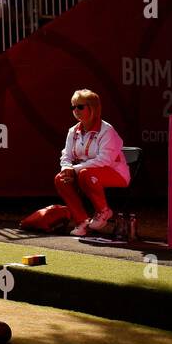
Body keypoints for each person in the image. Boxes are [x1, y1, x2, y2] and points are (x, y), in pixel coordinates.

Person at [56, 89, 130, 237]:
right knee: (60, 178)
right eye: (73, 107)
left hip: (115, 173)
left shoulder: (107, 130)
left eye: (80, 107)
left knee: (85, 174)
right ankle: (82, 222)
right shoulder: (73, 131)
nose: (75, 110)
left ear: (93, 108)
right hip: (85, 173)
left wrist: (75, 169)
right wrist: (66, 168)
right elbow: (66, 154)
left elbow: (104, 160)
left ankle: (103, 211)